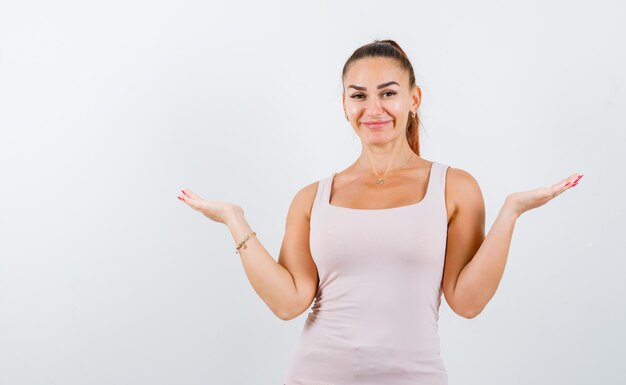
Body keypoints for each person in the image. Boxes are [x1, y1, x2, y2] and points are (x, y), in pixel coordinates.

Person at [177, 39, 583, 384]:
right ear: (344, 104)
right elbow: (288, 303)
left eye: (388, 93)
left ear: (414, 98)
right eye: (359, 95)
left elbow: (467, 301)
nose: (373, 108)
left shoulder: (455, 187)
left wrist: (510, 212)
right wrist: (235, 221)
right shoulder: (311, 198)